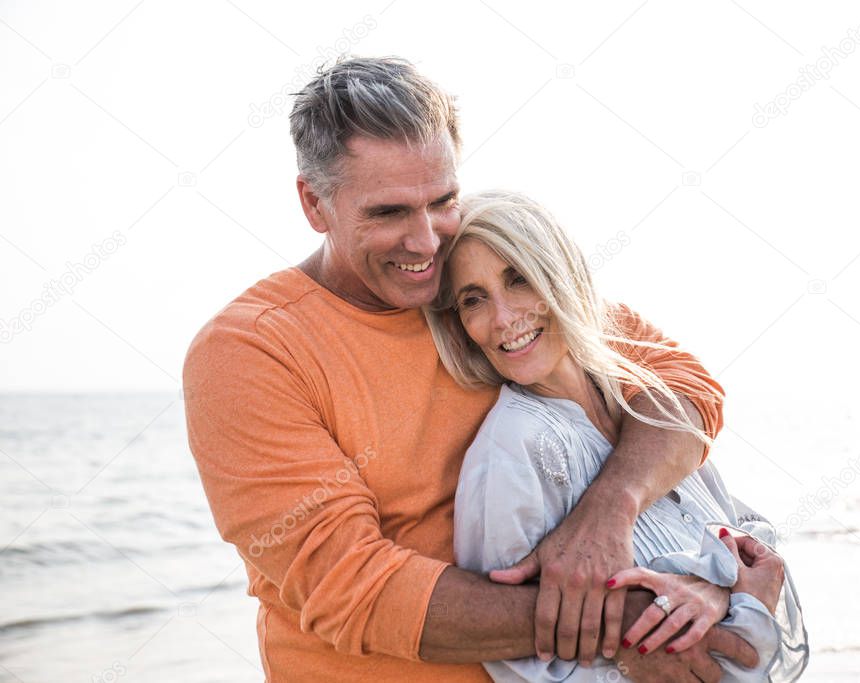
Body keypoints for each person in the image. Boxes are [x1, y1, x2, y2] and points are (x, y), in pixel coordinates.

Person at [183, 56, 755, 682]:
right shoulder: (251, 351)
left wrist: (609, 511)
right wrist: (632, 623)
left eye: (442, 200)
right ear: (314, 204)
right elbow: (352, 587)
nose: (426, 241)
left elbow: (686, 387)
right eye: (388, 213)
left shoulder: (490, 280)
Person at [425, 190, 809, 681]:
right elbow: (522, 666)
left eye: (518, 279)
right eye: (473, 300)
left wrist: (714, 591)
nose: (502, 318)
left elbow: (750, 546)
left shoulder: (645, 408)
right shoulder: (513, 449)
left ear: (561, 275)